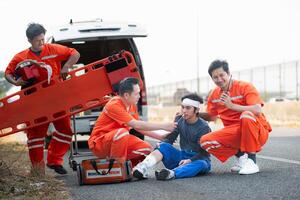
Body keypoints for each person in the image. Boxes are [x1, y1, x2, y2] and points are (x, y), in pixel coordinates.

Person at [5, 23, 80, 175]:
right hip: (34, 102)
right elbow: (8, 72)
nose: (41, 42)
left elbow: (75, 53)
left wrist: (66, 67)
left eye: (43, 39)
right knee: (35, 137)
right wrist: (15, 82)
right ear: (29, 40)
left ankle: (54, 161)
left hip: (56, 98)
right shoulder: (21, 57)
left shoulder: (53, 49)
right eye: (38, 40)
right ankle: (38, 172)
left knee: (65, 131)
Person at [199, 60, 272, 175]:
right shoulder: (214, 94)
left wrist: (231, 106)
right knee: (204, 141)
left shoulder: (245, 86)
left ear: (228, 73)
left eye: (221, 75)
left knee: (246, 115)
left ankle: (252, 161)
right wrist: (193, 113)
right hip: (235, 132)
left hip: (257, 131)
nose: (219, 79)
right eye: (215, 77)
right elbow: (212, 117)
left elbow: (257, 109)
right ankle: (242, 157)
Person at [88, 77, 176, 167]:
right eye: (137, 93)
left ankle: (131, 168)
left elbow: (138, 127)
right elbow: (136, 124)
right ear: (126, 95)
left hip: (120, 140)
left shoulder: (132, 105)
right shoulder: (114, 105)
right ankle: (117, 167)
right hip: (100, 144)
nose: (139, 96)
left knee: (147, 149)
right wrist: (163, 126)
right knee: (122, 132)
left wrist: (160, 136)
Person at [133, 93, 211, 180]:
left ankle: (171, 173)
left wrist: (190, 161)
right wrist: (162, 144)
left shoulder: (204, 127)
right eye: (182, 107)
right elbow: (171, 138)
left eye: (188, 108)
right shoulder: (180, 120)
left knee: (202, 164)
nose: (184, 110)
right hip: (181, 157)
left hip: (198, 159)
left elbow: (204, 153)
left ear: (196, 110)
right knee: (163, 146)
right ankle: (142, 168)